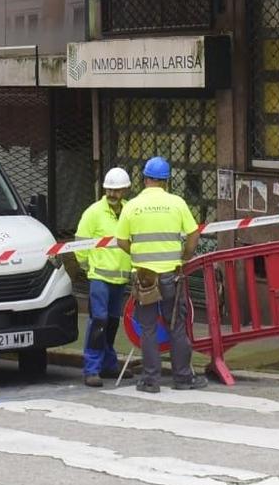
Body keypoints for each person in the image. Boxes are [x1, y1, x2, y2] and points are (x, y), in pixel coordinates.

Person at [120, 156, 207, 394]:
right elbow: (193, 234)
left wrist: (138, 255)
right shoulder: (176, 203)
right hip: (171, 275)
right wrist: (185, 256)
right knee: (176, 326)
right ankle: (182, 379)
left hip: (144, 277)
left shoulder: (132, 206)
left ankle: (150, 381)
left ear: (145, 178)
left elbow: (121, 241)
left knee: (147, 328)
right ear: (166, 181)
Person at [72, 168, 134, 386]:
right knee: (99, 321)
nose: (112, 193)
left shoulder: (129, 211)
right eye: (109, 189)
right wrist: (88, 267)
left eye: (116, 190)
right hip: (99, 277)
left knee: (112, 323)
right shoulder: (93, 212)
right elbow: (80, 242)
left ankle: (108, 365)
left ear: (125, 190)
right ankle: (92, 368)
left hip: (120, 278)